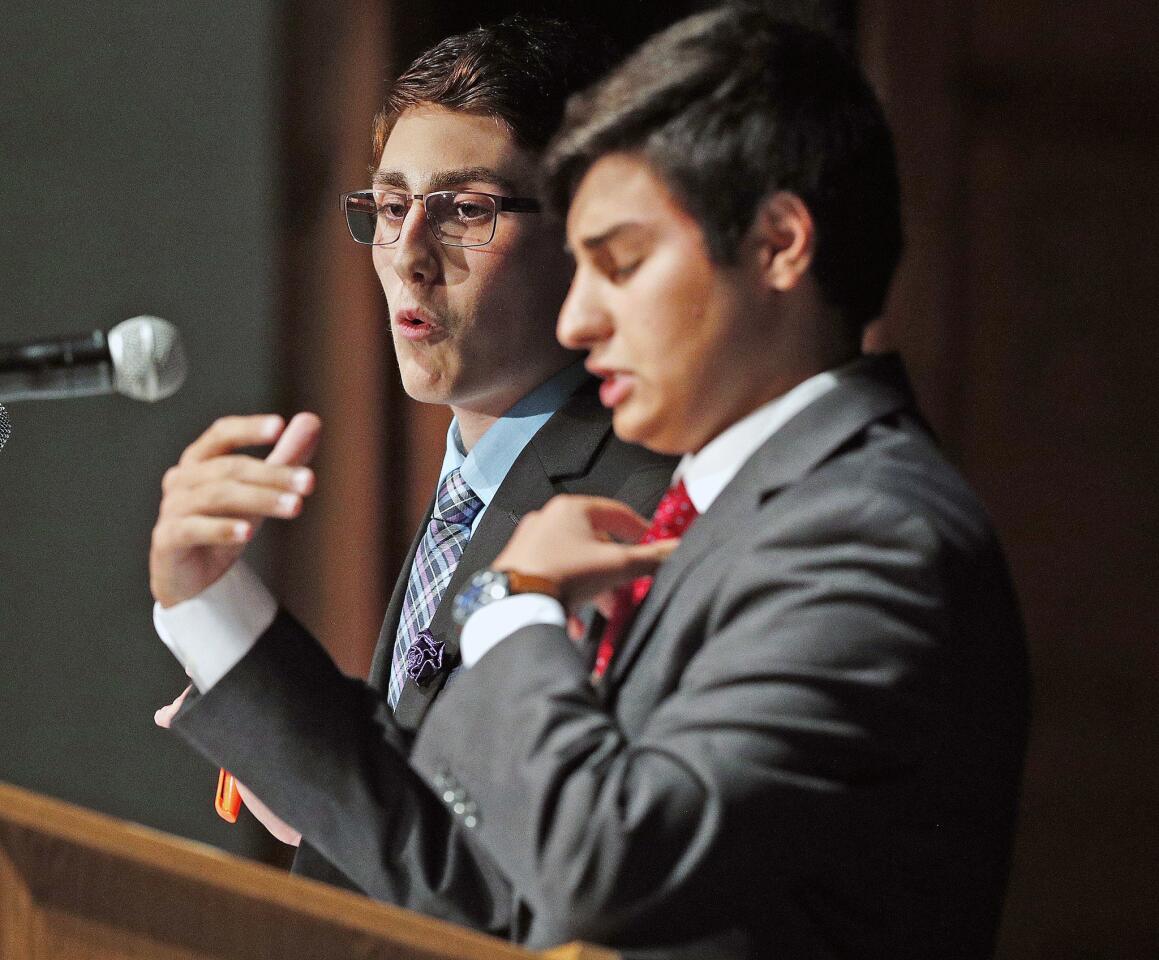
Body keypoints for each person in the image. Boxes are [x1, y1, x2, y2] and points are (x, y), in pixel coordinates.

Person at [166, 7, 1029, 958]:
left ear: (780, 244)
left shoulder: (864, 528)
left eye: (617, 262)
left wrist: (513, 603)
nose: (579, 316)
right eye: (386, 204)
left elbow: (601, 871)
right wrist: (234, 638)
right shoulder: (759, 504)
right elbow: (493, 876)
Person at [150, 17, 674, 896]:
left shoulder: (633, 501)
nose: (408, 255)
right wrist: (310, 784)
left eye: (466, 209)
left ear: (583, 234)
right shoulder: (473, 481)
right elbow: (423, 830)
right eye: (391, 207)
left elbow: (513, 879)